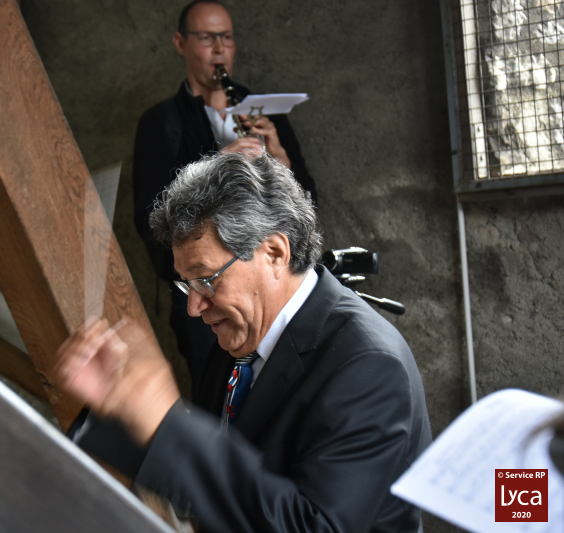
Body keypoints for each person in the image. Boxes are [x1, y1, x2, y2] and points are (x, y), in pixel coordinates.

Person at [57, 153, 432, 533]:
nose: (194, 307)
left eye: (206, 279)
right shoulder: (239, 338)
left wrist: (166, 425)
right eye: (187, 284)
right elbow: (212, 485)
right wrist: (121, 409)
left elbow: (313, 527)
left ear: (274, 253)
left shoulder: (369, 365)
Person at [133, 0, 316, 383]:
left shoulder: (264, 114)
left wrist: (282, 161)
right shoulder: (160, 123)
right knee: (216, 394)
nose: (219, 49)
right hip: (207, 292)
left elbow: (308, 206)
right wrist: (218, 164)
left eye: (227, 38)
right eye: (206, 38)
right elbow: (149, 219)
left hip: (272, 286)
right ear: (181, 43)